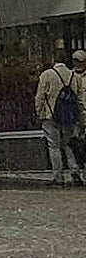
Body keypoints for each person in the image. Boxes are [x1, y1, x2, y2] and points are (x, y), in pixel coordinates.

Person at [35, 52, 83, 186]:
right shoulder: (73, 76)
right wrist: (79, 117)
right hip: (68, 117)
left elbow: (39, 97)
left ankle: (58, 176)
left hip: (50, 116)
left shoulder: (47, 74)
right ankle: (75, 171)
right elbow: (78, 99)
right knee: (68, 144)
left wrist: (39, 113)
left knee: (54, 146)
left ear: (54, 60)